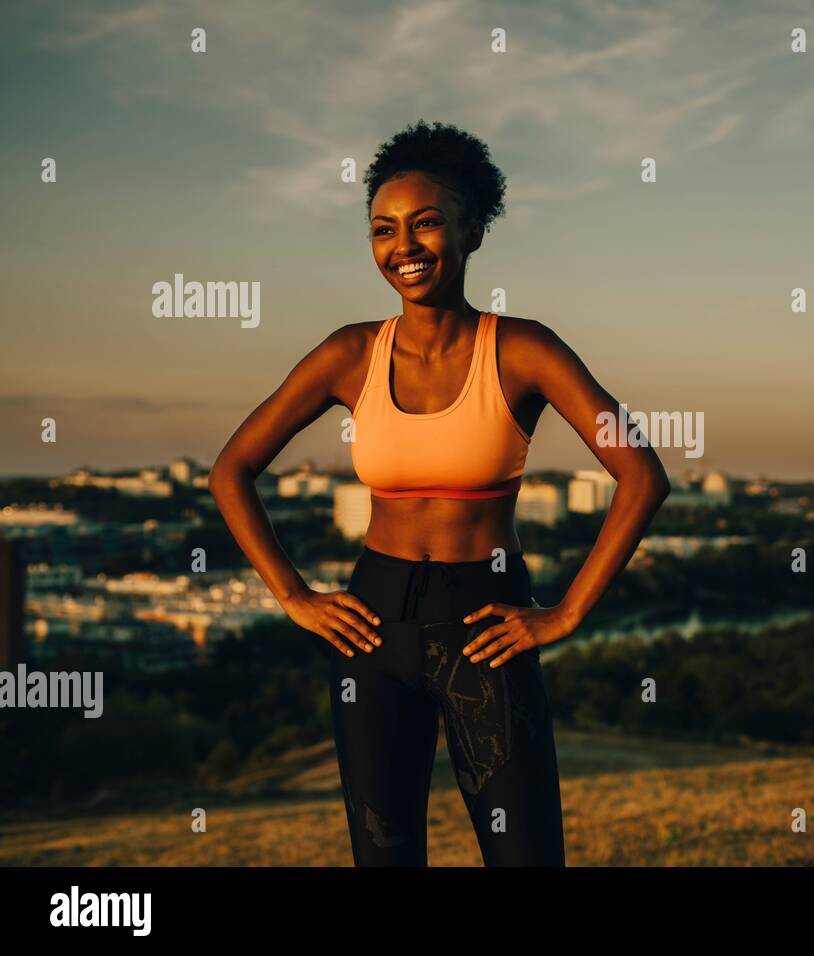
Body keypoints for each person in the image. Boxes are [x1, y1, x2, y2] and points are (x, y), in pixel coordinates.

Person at [209, 120, 670, 866]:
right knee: (384, 856)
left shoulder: (523, 348)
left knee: (525, 855)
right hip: (373, 622)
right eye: (383, 230)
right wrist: (294, 596)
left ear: (472, 231)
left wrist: (567, 612)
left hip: (486, 617)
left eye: (426, 223)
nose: (404, 247)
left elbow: (642, 475)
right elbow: (230, 470)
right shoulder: (349, 354)